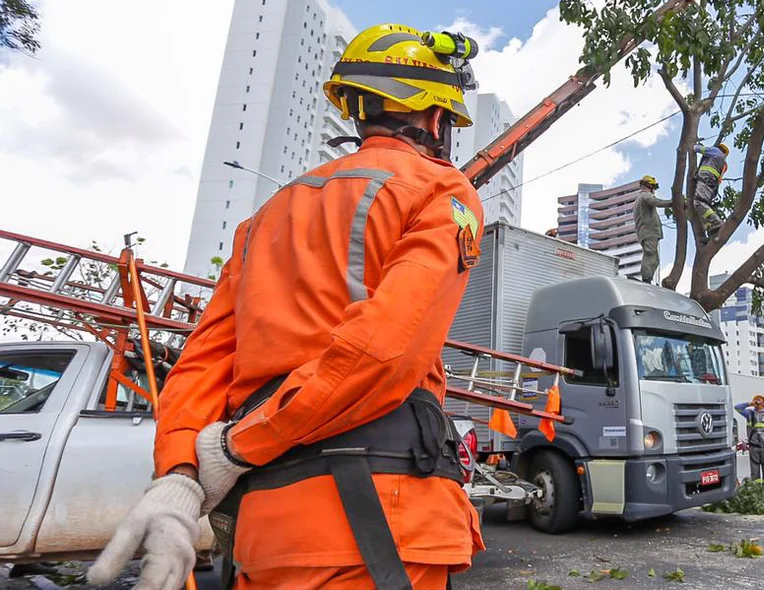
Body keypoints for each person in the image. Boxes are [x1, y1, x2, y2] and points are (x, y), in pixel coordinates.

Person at [88, 24, 486, 590]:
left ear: (355, 111)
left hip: (265, 538)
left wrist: (178, 477)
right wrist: (238, 445)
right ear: (437, 119)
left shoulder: (264, 219)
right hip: (380, 529)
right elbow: (383, 350)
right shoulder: (440, 191)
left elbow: (203, 361)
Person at [633, 174, 672, 283]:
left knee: (654, 259)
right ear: (649, 186)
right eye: (653, 187)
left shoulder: (640, 199)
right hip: (649, 232)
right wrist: (672, 203)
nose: (654, 190)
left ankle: (647, 278)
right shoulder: (645, 196)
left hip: (647, 232)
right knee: (650, 255)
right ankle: (646, 279)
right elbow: (657, 202)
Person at [735, 394, 764, 484]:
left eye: (760, 400)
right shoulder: (749, 413)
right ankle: (757, 490)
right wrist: (749, 404)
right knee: (754, 470)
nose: (757, 401)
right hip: (753, 446)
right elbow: (737, 408)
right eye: (756, 400)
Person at [692, 143, 728, 238]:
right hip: (711, 185)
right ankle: (711, 231)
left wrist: (694, 146)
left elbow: (698, 149)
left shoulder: (716, 151)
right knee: (705, 207)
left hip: (705, 179)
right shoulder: (722, 163)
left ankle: (716, 221)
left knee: (699, 202)